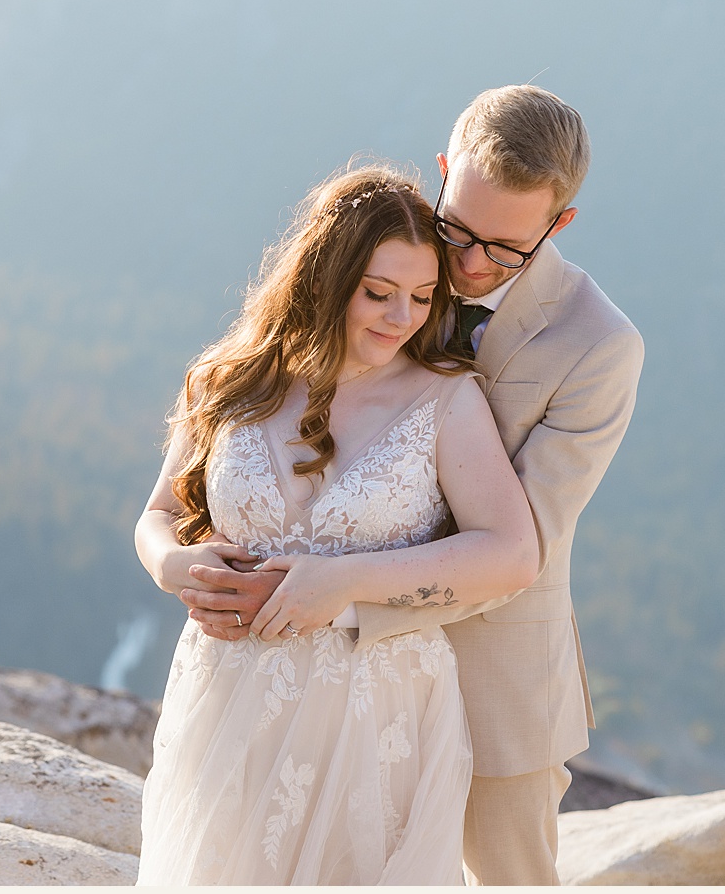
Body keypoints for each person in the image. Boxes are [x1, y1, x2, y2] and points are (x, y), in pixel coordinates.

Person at [177, 85, 644, 884]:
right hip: (318, 681)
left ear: (557, 224)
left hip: (494, 677)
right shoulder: (389, 267)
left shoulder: (598, 347)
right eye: (457, 227)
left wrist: (339, 597)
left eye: (502, 249)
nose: (465, 265)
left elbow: (518, 542)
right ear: (442, 171)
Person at [133, 163, 547, 884]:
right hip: (228, 695)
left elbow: (512, 553)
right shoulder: (227, 380)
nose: (401, 317)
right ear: (323, 280)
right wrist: (171, 564)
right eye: (378, 293)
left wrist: (348, 580)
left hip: (373, 710)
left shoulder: (444, 402)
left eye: (422, 297)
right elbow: (159, 516)